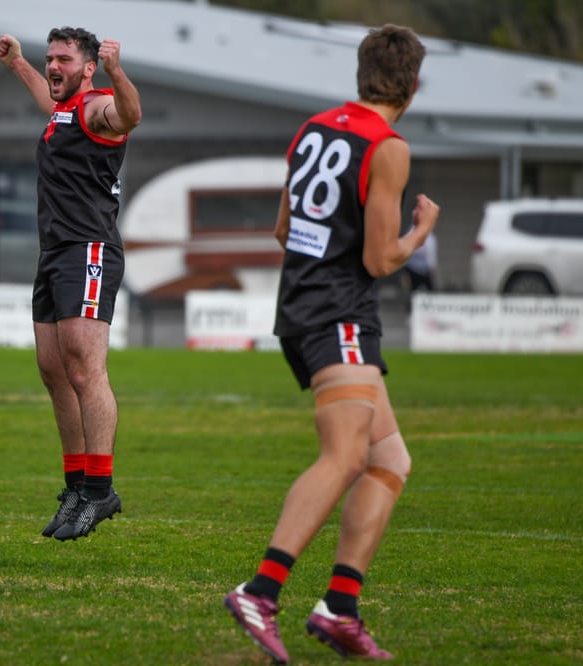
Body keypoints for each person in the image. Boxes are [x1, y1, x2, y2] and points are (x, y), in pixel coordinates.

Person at [224, 24, 439, 663]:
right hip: (339, 313)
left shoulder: (313, 127)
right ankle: (261, 591)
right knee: (344, 458)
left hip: (309, 307)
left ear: (360, 71)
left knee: (389, 461)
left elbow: (284, 229)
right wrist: (422, 231)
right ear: (413, 85)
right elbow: (377, 259)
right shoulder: (388, 146)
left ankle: (340, 608)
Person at [0, 28, 141, 541]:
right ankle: (77, 484)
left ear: (88, 68)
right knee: (54, 370)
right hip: (54, 253)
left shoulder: (98, 105)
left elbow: (129, 116)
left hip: (89, 248)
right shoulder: (63, 110)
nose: (53, 66)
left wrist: (118, 73)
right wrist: (18, 63)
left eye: (64, 59)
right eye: (50, 58)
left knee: (84, 366)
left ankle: (100, 492)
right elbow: (47, 98)